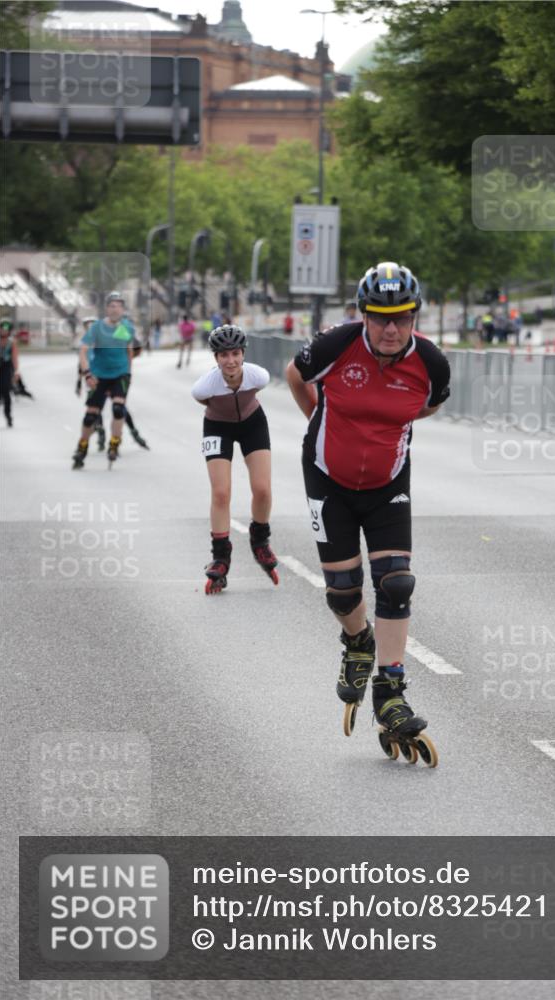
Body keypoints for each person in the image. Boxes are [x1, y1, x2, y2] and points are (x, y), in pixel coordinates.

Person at [286, 262, 450, 767]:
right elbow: (296, 375)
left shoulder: (432, 363)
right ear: (362, 315)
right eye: (378, 317)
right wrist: (319, 416)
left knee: (396, 582)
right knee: (342, 588)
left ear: (414, 316)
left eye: (401, 317)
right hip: (327, 479)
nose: (390, 328)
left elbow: (429, 405)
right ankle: (357, 640)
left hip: (387, 485)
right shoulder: (336, 345)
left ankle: (391, 689)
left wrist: (385, 429)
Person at [191, 324, 279, 593]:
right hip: (217, 426)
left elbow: (254, 394)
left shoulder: (258, 376)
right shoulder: (204, 386)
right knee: (220, 493)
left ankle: (260, 540)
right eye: (223, 356)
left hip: (253, 423)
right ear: (215, 358)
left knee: (262, 489)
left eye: (235, 354)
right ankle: (220, 557)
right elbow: (203, 401)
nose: (230, 361)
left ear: (243, 354)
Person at [72, 291, 136, 468]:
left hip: (120, 374)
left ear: (123, 309)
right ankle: (82, 446)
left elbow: (129, 350)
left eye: (119, 306)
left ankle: (114, 442)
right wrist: (87, 374)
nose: (115, 309)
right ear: (107, 308)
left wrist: (129, 372)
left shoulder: (126, 328)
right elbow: (83, 351)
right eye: (112, 306)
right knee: (90, 417)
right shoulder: (97, 328)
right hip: (99, 375)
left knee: (118, 408)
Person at [0, 320, 20, 427]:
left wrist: (16, 371)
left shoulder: (11, 342)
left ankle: (8, 416)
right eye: (2, 328)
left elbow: (14, 357)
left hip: (6, 368)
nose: (3, 331)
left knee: (6, 391)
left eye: (6, 329)